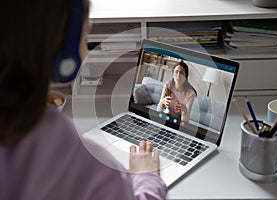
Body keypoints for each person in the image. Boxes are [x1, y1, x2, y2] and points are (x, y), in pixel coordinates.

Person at [0, 0, 167, 199]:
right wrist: (146, 177)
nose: (87, 50)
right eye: (85, 37)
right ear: (64, 49)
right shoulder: (59, 144)